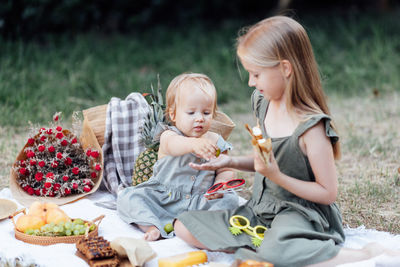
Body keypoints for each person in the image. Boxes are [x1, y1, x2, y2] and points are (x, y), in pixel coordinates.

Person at [174, 16, 400, 266]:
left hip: (300, 214)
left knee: (276, 251)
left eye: (256, 74)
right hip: (260, 210)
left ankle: (366, 254)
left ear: (285, 69)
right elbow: (266, 162)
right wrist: (231, 161)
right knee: (184, 225)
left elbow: (327, 193)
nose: (251, 82)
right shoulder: (261, 102)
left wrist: (276, 176)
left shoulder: (310, 127)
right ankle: (269, 246)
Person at [117, 73, 239, 241]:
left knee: (230, 201)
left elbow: (226, 168)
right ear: (173, 115)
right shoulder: (168, 135)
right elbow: (174, 145)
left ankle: (197, 226)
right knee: (128, 198)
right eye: (191, 112)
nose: (199, 119)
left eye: (206, 112)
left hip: (200, 201)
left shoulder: (216, 141)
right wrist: (193, 144)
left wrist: (219, 186)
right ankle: (153, 225)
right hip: (163, 198)